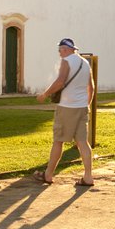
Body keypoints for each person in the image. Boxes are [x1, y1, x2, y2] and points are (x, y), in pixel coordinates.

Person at [33, 37, 94, 186]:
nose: (60, 54)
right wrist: (87, 104)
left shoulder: (66, 61)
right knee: (83, 142)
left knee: (58, 140)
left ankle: (48, 175)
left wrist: (45, 94)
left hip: (67, 107)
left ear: (66, 49)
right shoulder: (85, 63)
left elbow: (60, 82)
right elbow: (91, 87)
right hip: (81, 107)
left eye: (60, 50)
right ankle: (88, 177)